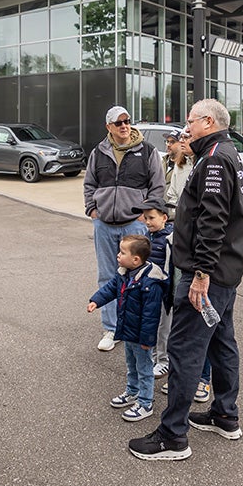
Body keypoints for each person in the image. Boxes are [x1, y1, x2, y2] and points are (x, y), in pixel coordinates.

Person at [129, 98, 243, 461]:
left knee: (185, 348)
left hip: (208, 274)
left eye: (191, 121)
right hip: (223, 271)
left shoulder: (214, 157)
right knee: (221, 341)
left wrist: (200, 275)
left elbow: (213, 221)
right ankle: (225, 414)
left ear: (208, 122)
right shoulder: (224, 151)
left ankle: (172, 435)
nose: (186, 128)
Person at [83, 105, 165, 352]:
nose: (124, 126)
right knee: (108, 276)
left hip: (134, 225)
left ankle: (139, 327)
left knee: (140, 278)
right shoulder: (99, 152)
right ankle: (111, 328)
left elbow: (157, 186)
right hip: (105, 225)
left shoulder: (147, 151)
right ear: (109, 126)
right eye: (118, 122)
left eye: (127, 121)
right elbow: (89, 183)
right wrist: (93, 210)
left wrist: (145, 216)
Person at [88, 234, 167, 422]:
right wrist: (96, 301)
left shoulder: (150, 283)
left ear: (136, 259)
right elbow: (110, 288)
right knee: (131, 366)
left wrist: (148, 341)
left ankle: (145, 402)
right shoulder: (124, 273)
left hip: (141, 337)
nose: (117, 255)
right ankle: (132, 392)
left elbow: (151, 316)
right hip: (127, 331)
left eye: (122, 252)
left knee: (144, 368)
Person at [134, 200, 174, 378]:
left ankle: (164, 361)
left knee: (164, 328)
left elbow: (170, 269)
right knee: (153, 325)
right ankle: (156, 357)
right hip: (149, 293)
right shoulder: (147, 237)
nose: (147, 221)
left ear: (164, 218)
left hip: (164, 294)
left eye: (152, 217)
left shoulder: (168, 239)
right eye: (145, 218)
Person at [163, 130, 193, 219]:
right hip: (173, 217)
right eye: (167, 141)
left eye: (172, 142)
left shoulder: (203, 162)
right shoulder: (177, 163)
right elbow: (172, 193)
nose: (182, 141)